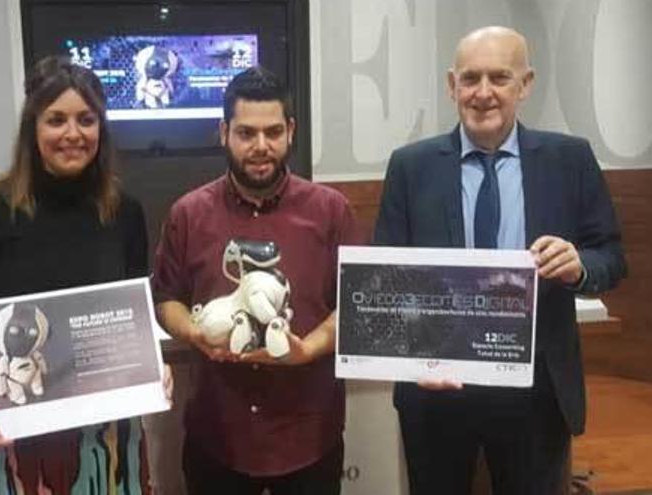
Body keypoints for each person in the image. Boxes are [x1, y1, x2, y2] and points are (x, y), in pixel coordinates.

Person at [373, 26, 627, 494]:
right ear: (452, 85)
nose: (483, 93)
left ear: (525, 84)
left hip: (537, 390)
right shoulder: (410, 166)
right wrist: (412, 362)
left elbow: (611, 256)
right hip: (438, 390)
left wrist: (580, 265)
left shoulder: (569, 159)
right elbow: (388, 281)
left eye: (499, 78)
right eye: (470, 79)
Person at [0, 56, 170, 494]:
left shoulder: (125, 213)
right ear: (32, 129)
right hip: (8, 437)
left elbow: (135, 315)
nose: (73, 134)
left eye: (86, 119)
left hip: (104, 440)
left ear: (101, 128)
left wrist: (153, 364)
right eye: (56, 120)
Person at [152, 66, 360, 495]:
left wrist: (307, 351)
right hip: (218, 436)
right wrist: (195, 332)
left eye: (272, 132)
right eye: (246, 133)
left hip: (308, 436)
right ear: (223, 132)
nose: (261, 146)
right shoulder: (188, 214)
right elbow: (166, 297)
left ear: (291, 131)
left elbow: (355, 305)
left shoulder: (331, 211)